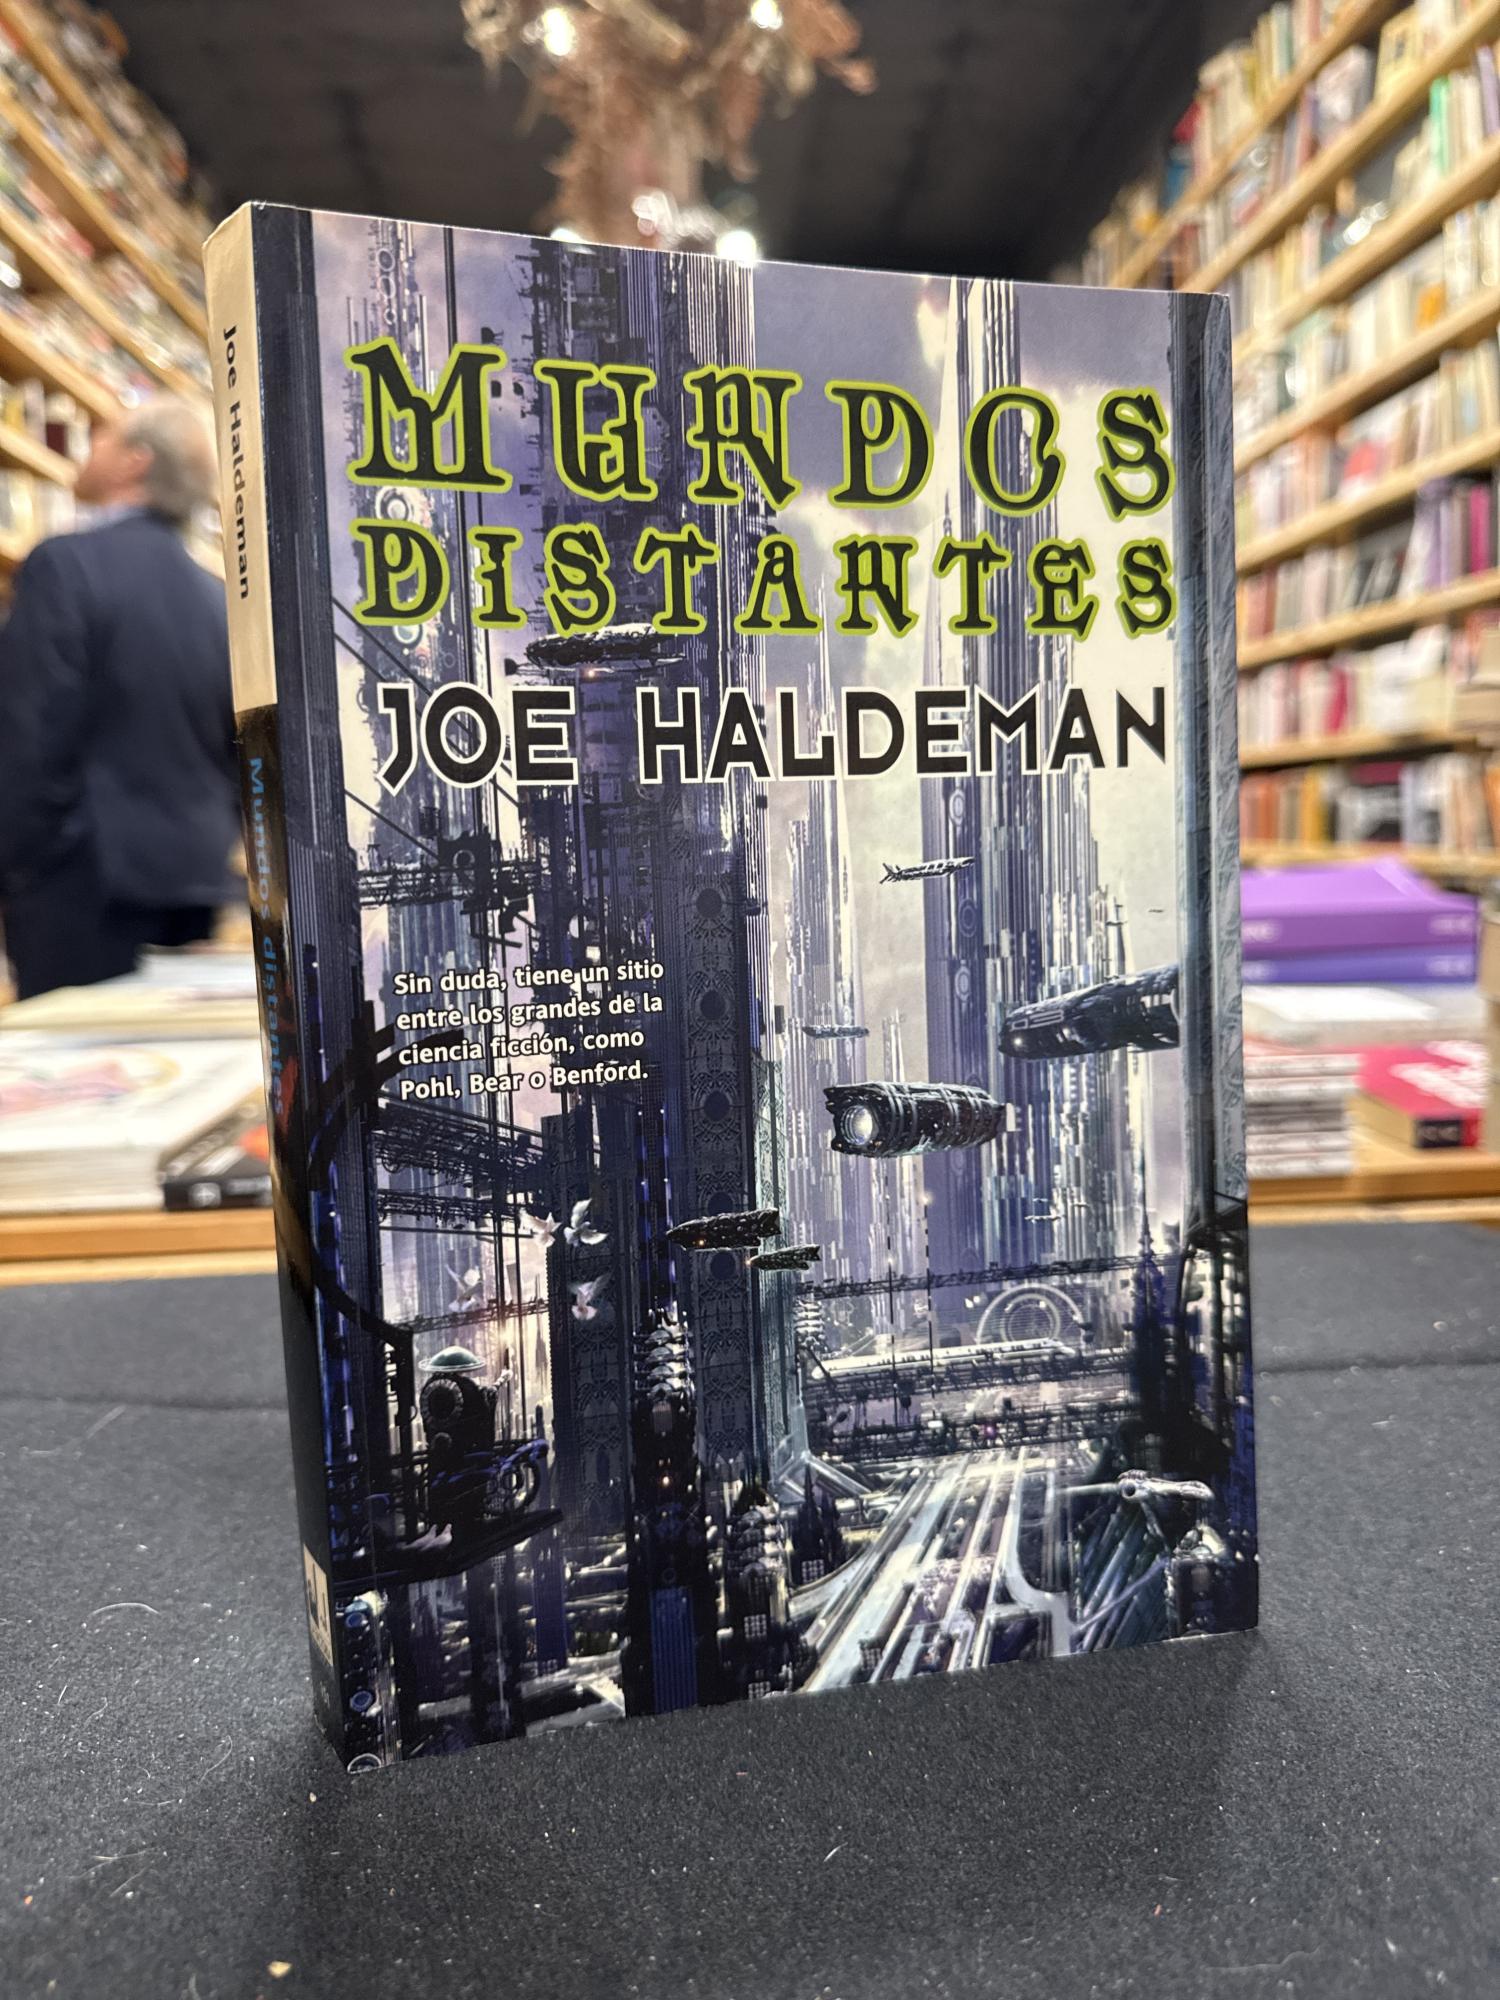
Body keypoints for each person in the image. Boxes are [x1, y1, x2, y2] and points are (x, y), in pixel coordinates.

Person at [0, 398, 238, 999]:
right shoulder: (217, 600)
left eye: (103, 435)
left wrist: (22, 867)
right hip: (197, 880)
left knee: (73, 1050)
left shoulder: (66, 565)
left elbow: (30, 734)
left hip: (84, 885)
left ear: (137, 460)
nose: (89, 446)